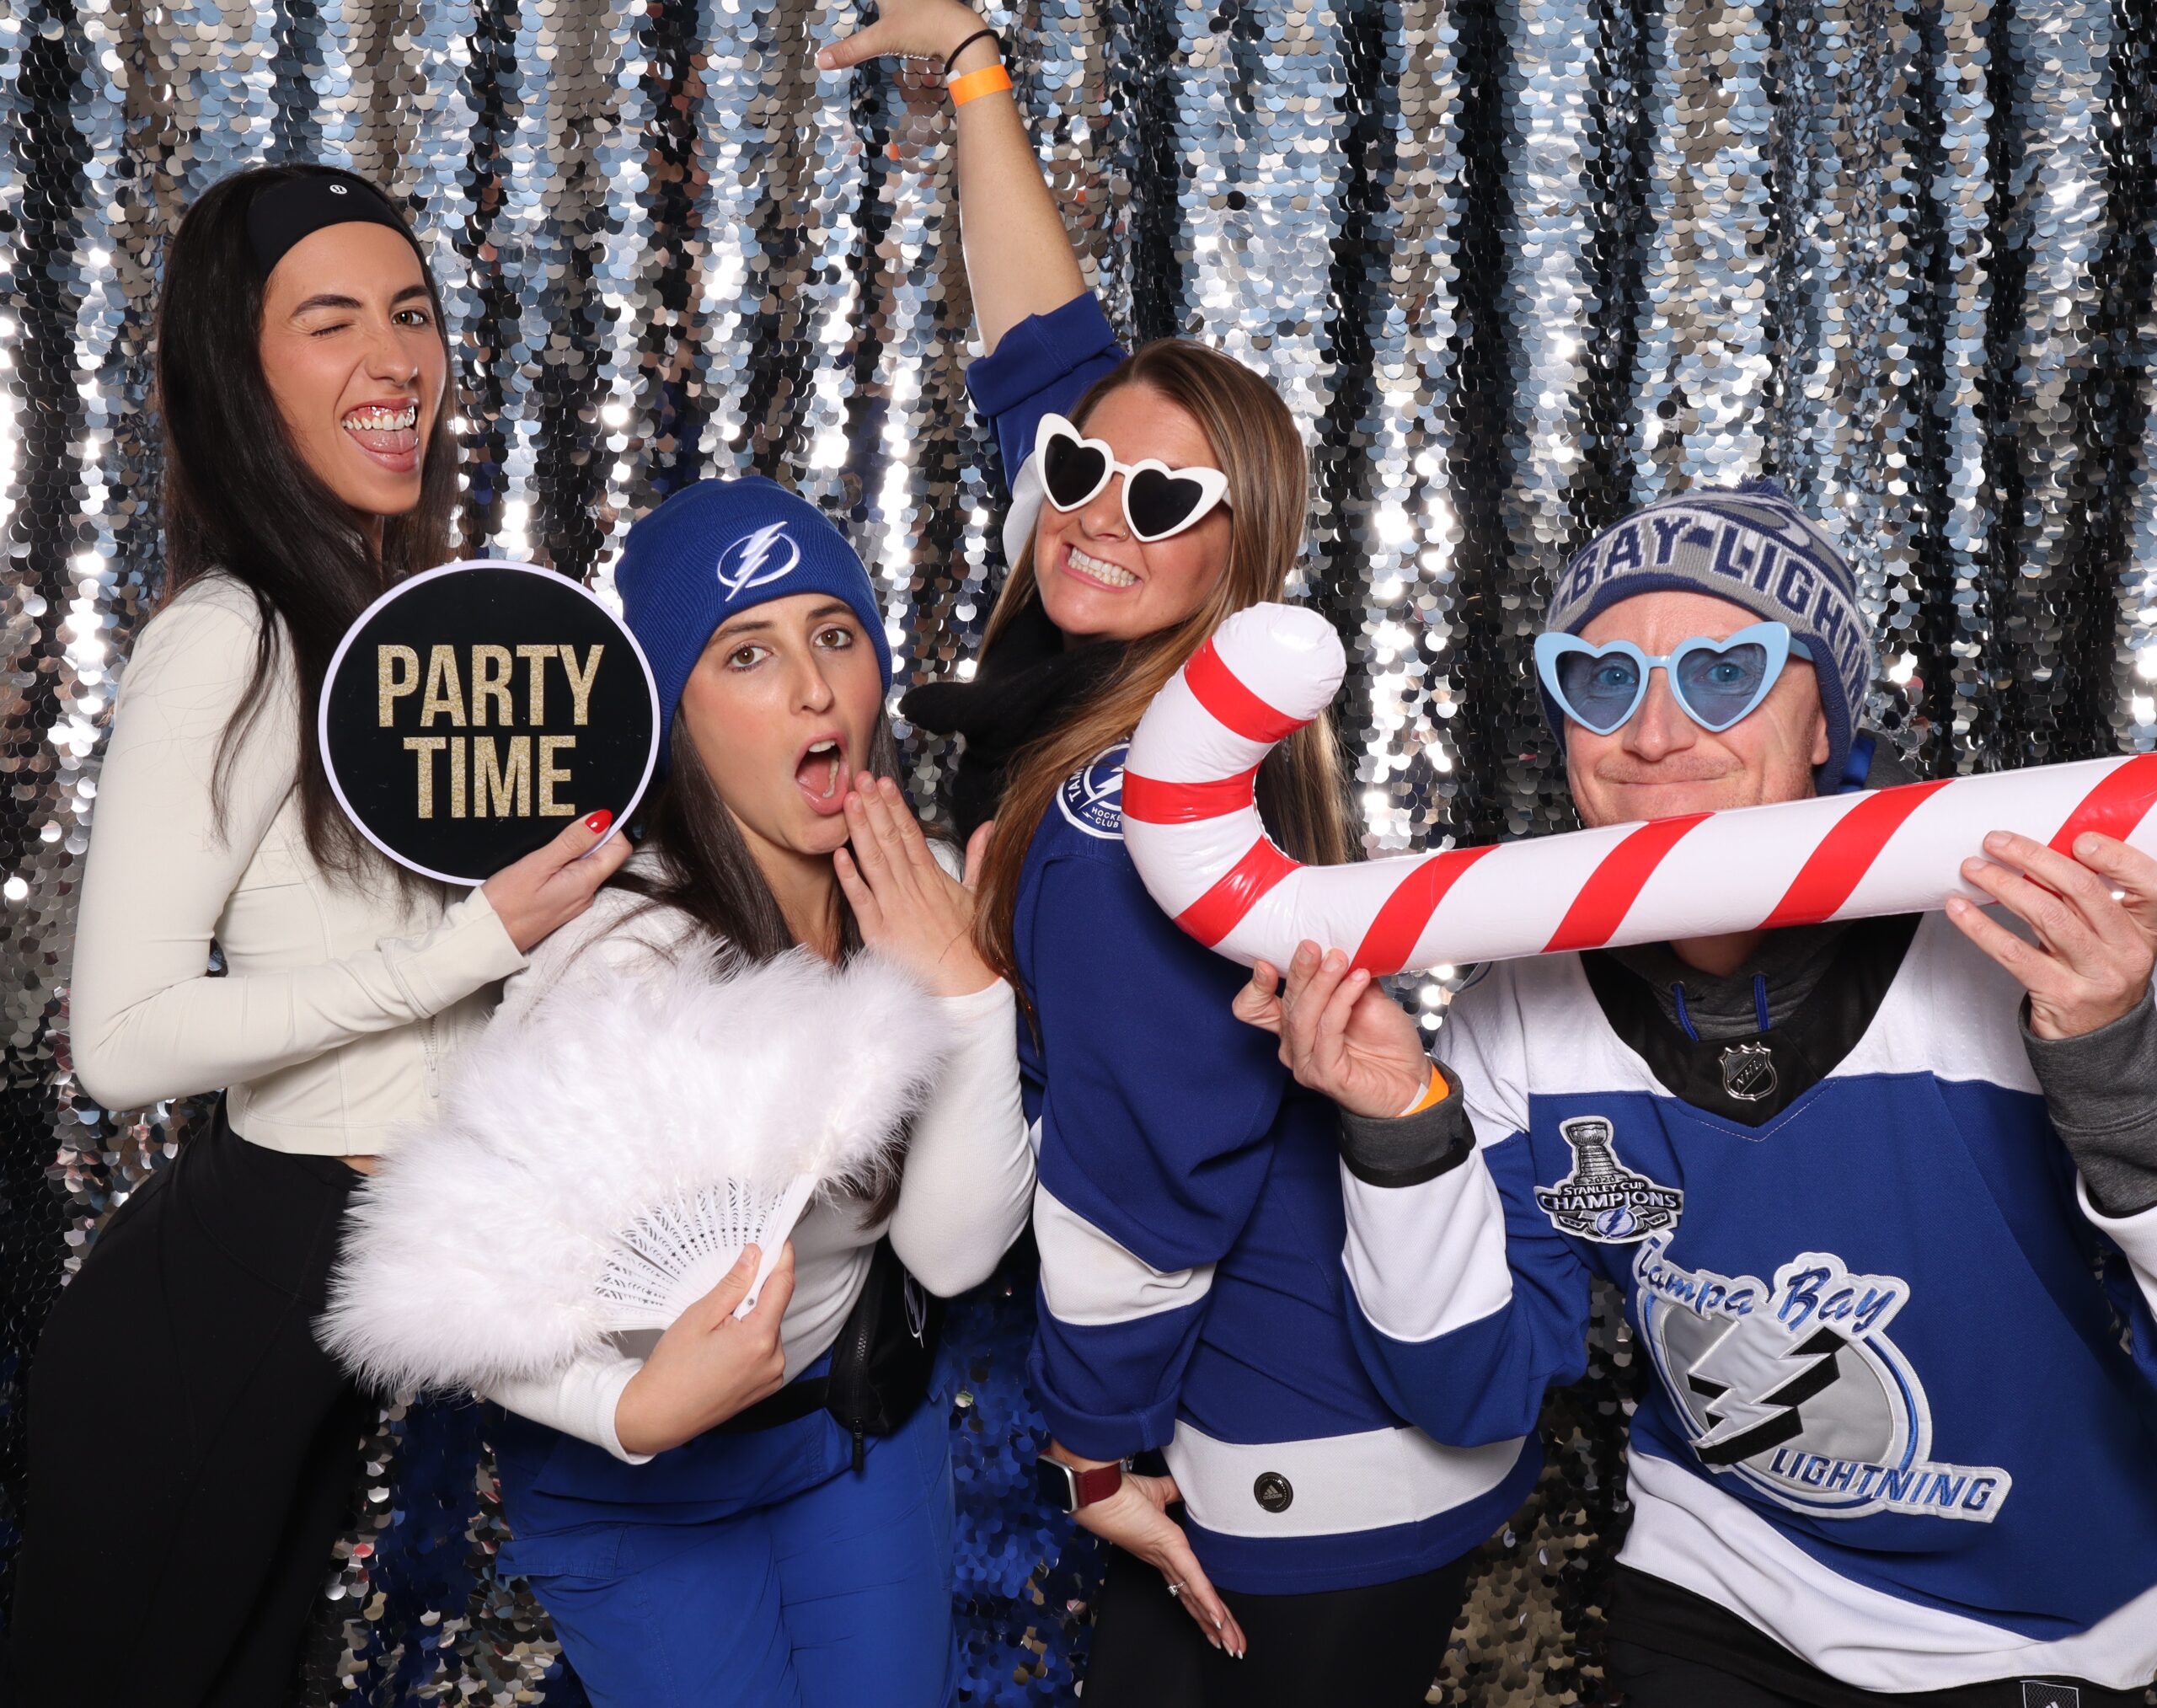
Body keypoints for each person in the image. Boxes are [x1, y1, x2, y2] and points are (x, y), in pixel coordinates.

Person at [815, 13, 1540, 1704]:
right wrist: (975, 70)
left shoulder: (1122, 813)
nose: (1088, 511)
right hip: (1320, 1437)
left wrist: (1087, 1451)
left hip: (1297, 1453)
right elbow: (1043, 356)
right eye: (1078, 474)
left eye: (1161, 502)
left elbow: (1144, 1197)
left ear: (1238, 558)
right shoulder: (1126, 661)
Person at [1246, 483, 2157, 1707]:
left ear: (1825, 717)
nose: (1656, 738)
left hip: (2059, 1628)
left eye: (1724, 674)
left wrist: (2119, 1069)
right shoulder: (1519, 1008)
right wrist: (1398, 1123)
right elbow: (1465, 1393)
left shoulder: (2035, 956)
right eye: (1603, 683)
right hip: (1720, 1593)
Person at [11, 164, 628, 1708]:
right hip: (217, 1307)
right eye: (330, 321)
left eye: (411, 315)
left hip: (352, 1290)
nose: (394, 362)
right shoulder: (224, 640)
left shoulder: (422, 629)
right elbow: (122, 1040)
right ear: (239, 366)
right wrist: (465, 944)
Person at [321, 475, 1037, 1707]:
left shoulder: (917, 887)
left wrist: (970, 994)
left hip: (855, 1441)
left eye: (835, 635)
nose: (815, 689)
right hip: (634, 1477)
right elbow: (457, 1286)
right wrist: (634, 1408)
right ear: (674, 716)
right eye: (747, 654)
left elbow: (953, 1253)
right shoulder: (625, 956)